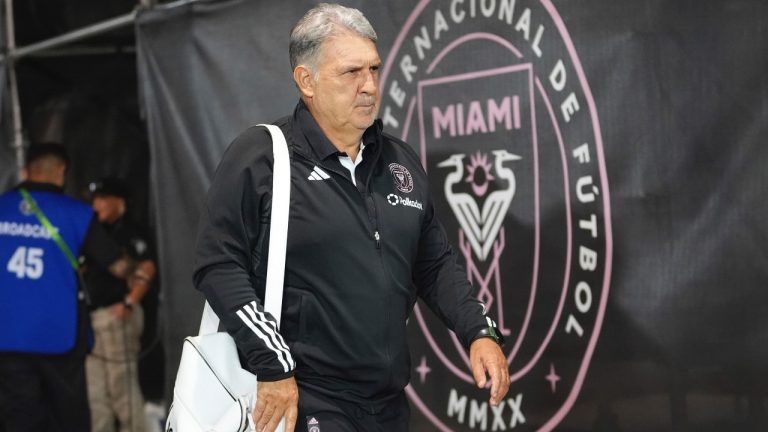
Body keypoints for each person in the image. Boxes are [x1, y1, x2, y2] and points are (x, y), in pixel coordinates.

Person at [193, 4, 510, 431]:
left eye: (374, 69)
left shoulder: (399, 161)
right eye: (351, 72)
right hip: (306, 397)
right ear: (307, 80)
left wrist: (479, 331)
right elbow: (218, 264)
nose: (369, 87)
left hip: (389, 402)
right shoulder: (263, 156)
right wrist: (273, 364)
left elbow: (434, 263)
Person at [0, 142, 154, 432]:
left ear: (25, 170)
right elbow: (117, 265)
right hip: (59, 336)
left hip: (6, 335)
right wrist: (138, 270)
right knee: (68, 417)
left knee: (19, 417)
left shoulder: (2, 207)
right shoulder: (76, 213)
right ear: (61, 172)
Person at [85, 177, 157, 432]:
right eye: (94, 199)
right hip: (91, 319)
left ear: (119, 201)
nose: (97, 204)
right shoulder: (93, 231)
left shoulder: (131, 232)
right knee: (96, 395)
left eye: (103, 198)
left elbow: (147, 269)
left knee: (122, 390)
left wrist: (128, 302)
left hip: (116, 316)